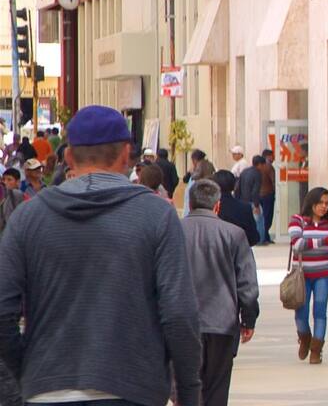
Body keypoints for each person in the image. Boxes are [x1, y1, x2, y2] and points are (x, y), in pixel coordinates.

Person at [0, 105, 203, 406]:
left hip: (48, 389)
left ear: (68, 157)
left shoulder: (28, 218)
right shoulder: (156, 215)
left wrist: (30, 371)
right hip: (134, 388)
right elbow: (179, 315)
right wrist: (188, 390)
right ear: (125, 155)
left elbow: (3, 312)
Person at [184, 179, 261, 406]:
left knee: (185, 388)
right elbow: (247, 284)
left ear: (190, 203)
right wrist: (248, 319)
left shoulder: (172, 230)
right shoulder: (235, 234)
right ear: (217, 206)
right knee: (216, 389)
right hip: (222, 323)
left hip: (182, 323)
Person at [291, 187, 328, 364]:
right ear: (311, 202)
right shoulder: (297, 220)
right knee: (301, 312)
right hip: (302, 275)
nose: (323, 206)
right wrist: (323, 241)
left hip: (323, 274)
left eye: (327, 203)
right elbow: (297, 245)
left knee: (320, 311)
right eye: (320, 203)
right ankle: (304, 337)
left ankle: (316, 349)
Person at [214, 170, 261, 246]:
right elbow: (254, 238)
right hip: (239, 252)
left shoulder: (209, 208)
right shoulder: (245, 208)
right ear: (234, 186)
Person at [236, 155, 268, 245]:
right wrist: (256, 205)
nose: (264, 167)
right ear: (260, 165)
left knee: (247, 221)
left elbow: (237, 188)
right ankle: (259, 240)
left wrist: (238, 200)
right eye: (264, 165)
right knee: (259, 221)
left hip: (243, 201)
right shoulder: (257, 174)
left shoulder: (244, 172)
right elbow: (255, 191)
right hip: (252, 201)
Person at [258, 150, 279, 243]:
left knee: (262, 217)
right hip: (268, 195)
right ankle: (265, 236)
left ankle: (264, 236)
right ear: (268, 156)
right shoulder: (269, 167)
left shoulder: (258, 167)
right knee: (268, 216)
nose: (274, 158)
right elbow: (274, 181)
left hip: (260, 195)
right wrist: (275, 191)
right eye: (272, 156)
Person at [0, 170, 24, 234]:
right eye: (3, 179)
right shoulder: (5, 196)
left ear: (18, 182)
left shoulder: (17, 194)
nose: (5, 182)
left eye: (9, 180)